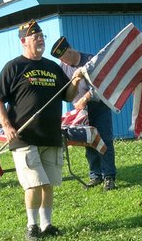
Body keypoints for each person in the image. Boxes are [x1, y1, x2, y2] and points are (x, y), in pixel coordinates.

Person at [0, 20, 82, 241]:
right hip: (24, 137)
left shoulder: (53, 67)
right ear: (23, 41)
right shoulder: (14, 67)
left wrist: (76, 80)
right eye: (35, 37)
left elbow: (68, 96)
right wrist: (6, 125)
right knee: (34, 183)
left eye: (42, 36)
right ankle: (31, 226)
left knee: (48, 184)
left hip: (50, 135)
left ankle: (47, 225)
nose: (40, 40)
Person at [50, 35, 118, 191]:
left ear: (69, 50)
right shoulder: (63, 67)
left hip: (99, 107)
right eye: (60, 59)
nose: (63, 62)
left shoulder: (91, 60)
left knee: (105, 141)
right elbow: (65, 90)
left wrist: (86, 98)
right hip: (81, 111)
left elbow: (103, 85)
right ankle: (95, 175)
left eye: (64, 57)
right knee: (88, 141)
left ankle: (109, 176)